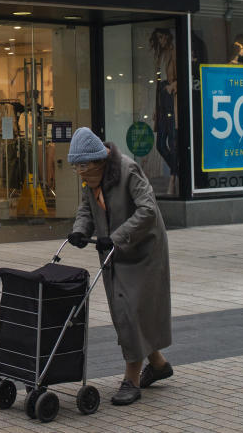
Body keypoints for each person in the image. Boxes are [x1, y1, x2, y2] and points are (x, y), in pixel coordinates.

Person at [66, 127, 173, 406]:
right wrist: (79, 230)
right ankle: (159, 365)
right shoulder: (91, 180)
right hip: (114, 251)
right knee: (127, 312)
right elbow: (87, 209)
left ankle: (132, 380)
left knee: (130, 311)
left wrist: (115, 237)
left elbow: (147, 210)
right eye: (76, 167)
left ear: (99, 159)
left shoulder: (128, 170)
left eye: (83, 165)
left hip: (143, 250)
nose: (80, 172)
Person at [149, 28, 178, 194]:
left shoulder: (174, 53)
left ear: (167, 36)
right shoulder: (160, 56)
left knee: (172, 142)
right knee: (160, 144)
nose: (160, 40)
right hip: (161, 98)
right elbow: (156, 84)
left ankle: (173, 180)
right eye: (158, 37)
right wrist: (155, 107)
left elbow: (184, 75)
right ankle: (178, 170)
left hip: (171, 97)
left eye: (162, 37)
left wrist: (172, 86)